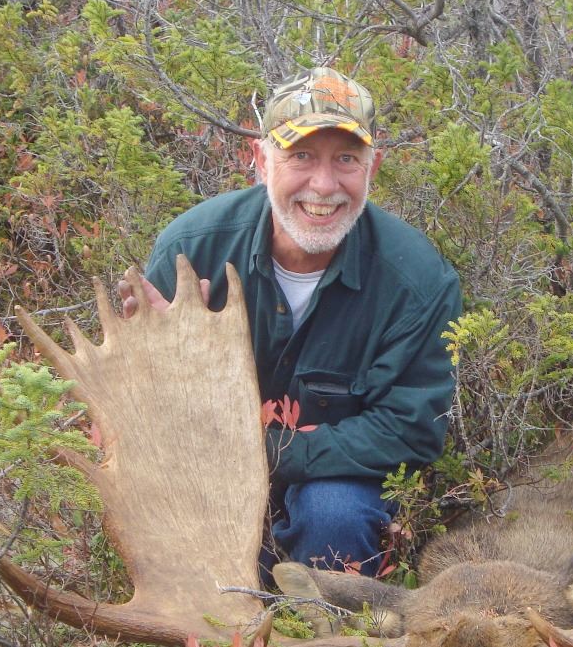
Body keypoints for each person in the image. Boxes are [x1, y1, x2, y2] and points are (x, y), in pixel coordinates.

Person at [118, 67, 462, 578]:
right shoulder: (193, 250)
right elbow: (147, 413)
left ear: (374, 167)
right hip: (208, 473)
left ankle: (326, 640)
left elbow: (411, 431)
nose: (323, 185)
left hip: (338, 478)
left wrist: (269, 454)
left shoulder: (416, 281)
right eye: (300, 156)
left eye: (346, 159)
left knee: (334, 517)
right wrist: (157, 357)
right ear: (260, 160)